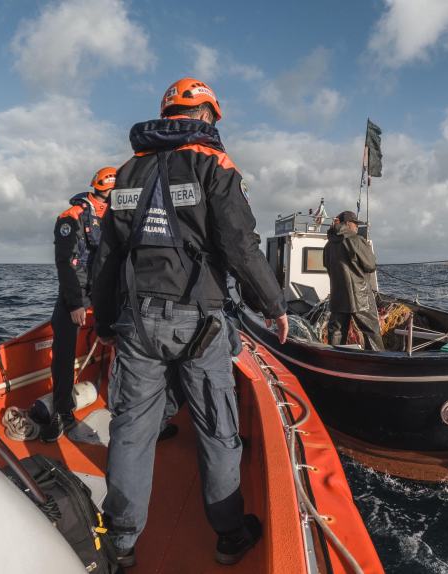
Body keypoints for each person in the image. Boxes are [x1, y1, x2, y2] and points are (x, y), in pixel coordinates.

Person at [91, 77, 288, 568]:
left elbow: (109, 256)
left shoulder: (128, 173)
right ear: (205, 116)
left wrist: (101, 320)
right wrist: (275, 304)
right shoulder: (215, 165)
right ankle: (228, 536)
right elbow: (240, 244)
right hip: (201, 320)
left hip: (136, 321)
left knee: (131, 431)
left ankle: (122, 541)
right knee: (218, 430)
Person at [41, 167, 115, 442]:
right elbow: (66, 263)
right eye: (107, 193)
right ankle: (62, 411)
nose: (108, 199)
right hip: (78, 294)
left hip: (111, 291)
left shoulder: (121, 215)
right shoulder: (71, 217)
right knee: (63, 350)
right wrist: (75, 303)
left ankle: (129, 407)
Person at [323, 211, 385, 351]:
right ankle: (378, 361)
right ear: (348, 224)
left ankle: (335, 360)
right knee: (371, 331)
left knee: (337, 332)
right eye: (355, 224)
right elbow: (370, 265)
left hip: (337, 295)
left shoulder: (328, 245)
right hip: (360, 296)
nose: (357, 227)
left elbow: (327, 265)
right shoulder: (355, 240)